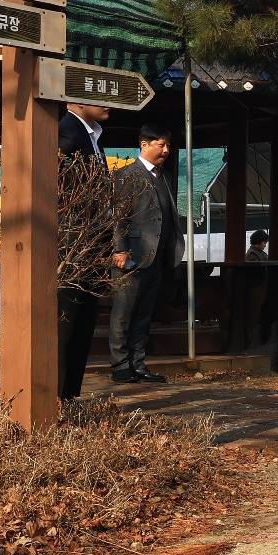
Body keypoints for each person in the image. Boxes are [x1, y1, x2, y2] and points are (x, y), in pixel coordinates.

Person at [109, 125, 180, 384]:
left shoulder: (165, 177)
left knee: (144, 314)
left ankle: (138, 364)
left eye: (168, 145)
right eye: (161, 145)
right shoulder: (126, 175)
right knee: (123, 312)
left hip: (156, 257)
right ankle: (120, 365)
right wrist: (119, 249)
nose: (166, 150)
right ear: (144, 144)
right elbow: (118, 216)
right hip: (130, 256)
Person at [58, 101, 111, 401]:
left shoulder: (92, 136)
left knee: (84, 320)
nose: (106, 103)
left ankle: (69, 395)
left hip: (91, 243)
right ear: (75, 99)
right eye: (97, 95)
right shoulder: (65, 133)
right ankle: (58, 395)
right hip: (71, 244)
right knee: (66, 322)